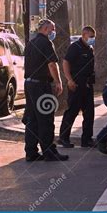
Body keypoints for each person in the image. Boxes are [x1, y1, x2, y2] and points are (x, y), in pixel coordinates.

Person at [23, 19, 68, 162]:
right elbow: (52, 64)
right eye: (52, 29)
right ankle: (49, 152)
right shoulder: (46, 43)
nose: (53, 32)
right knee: (46, 119)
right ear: (46, 29)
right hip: (41, 86)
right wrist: (58, 81)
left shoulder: (31, 43)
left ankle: (31, 152)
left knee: (32, 119)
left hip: (29, 84)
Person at [58, 26, 96, 148]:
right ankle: (64, 138)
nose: (92, 39)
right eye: (90, 37)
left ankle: (87, 139)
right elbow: (65, 62)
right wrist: (69, 80)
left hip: (88, 84)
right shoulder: (75, 47)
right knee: (72, 111)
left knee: (89, 113)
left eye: (93, 37)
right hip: (76, 83)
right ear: (84, 34)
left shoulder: (90, 48)